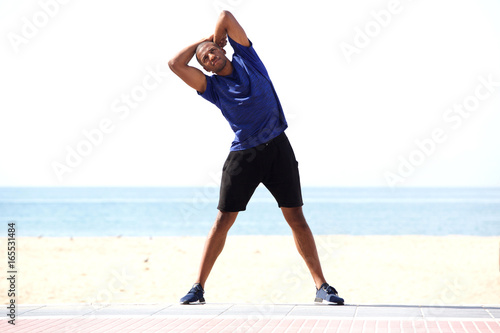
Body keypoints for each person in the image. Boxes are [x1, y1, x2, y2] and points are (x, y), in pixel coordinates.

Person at [168, 10, 344, 305]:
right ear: (206, 69)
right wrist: (204, 41)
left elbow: (225, 15)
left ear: (222, 51)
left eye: (213, 52)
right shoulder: (211, 88)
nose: (211, 57)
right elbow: (175, 64)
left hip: (278, 148)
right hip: (243, 156)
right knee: (223, 220)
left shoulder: (249, 61)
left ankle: (321, 287)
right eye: (206, 59)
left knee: (296, 218)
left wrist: (216, 39)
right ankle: (198, 287)